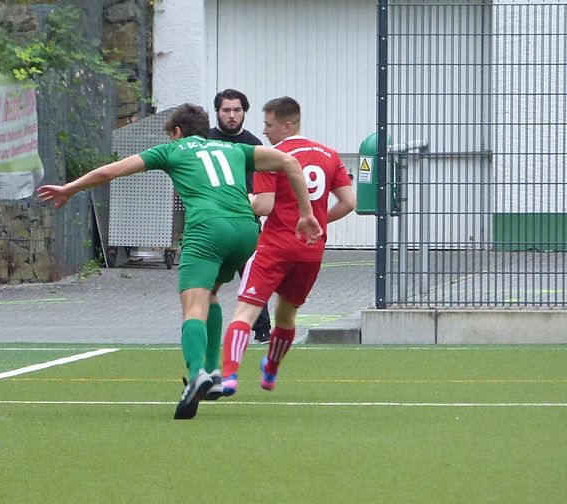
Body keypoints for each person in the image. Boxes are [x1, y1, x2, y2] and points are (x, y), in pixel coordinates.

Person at [37, 103, 322, 420]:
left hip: (207, 229)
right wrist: (306, 214)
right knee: (211, 293)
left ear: (176, 132)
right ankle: (214, 373)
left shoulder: (172, 150)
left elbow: (111, 171)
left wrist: (69, 188)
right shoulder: (234, 149)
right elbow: (289, 162)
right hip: (245, 231)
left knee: (193, 305)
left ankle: (197, 372)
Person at [220, 96, 357, 396]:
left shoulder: (273, 157)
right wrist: (316, 221)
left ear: (287, 125)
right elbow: (349, 202)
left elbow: (264, 205)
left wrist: (234, 202)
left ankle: (228, 375)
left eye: (268, 125)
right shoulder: (329, 155)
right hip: (310, 250)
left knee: (245, 311)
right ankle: (270, 369)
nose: (264, 131)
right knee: (286, 315)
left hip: (275, 246)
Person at [208, 89, 272, 342]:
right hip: (212, 222)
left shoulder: (254, 144)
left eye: (237, 110)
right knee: (206, 278)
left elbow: (263, 185)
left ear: (244, 112)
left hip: (246, 221)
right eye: (226, 110)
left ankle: (262, 329)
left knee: (254, 276)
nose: (232, 116)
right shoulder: (204, 141)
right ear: (217, 112)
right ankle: (201, 325)